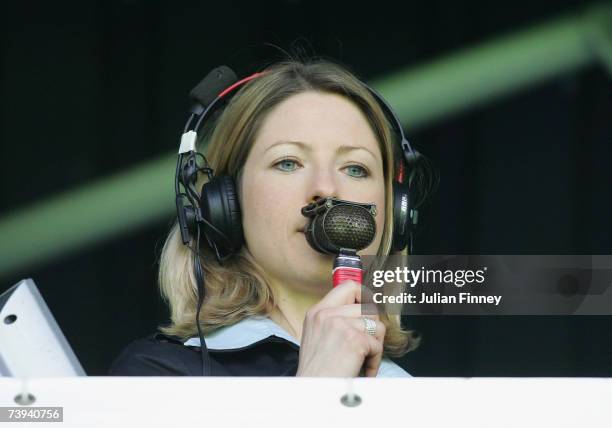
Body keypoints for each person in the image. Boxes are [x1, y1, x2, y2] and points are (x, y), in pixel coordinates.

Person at [109, 58, 429, 377]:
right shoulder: (156, 376)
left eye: (355, 169)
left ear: (395, 212)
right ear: (224, 204)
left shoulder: (425, 401)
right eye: (288, 163)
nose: (326, 189)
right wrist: (319, 390)